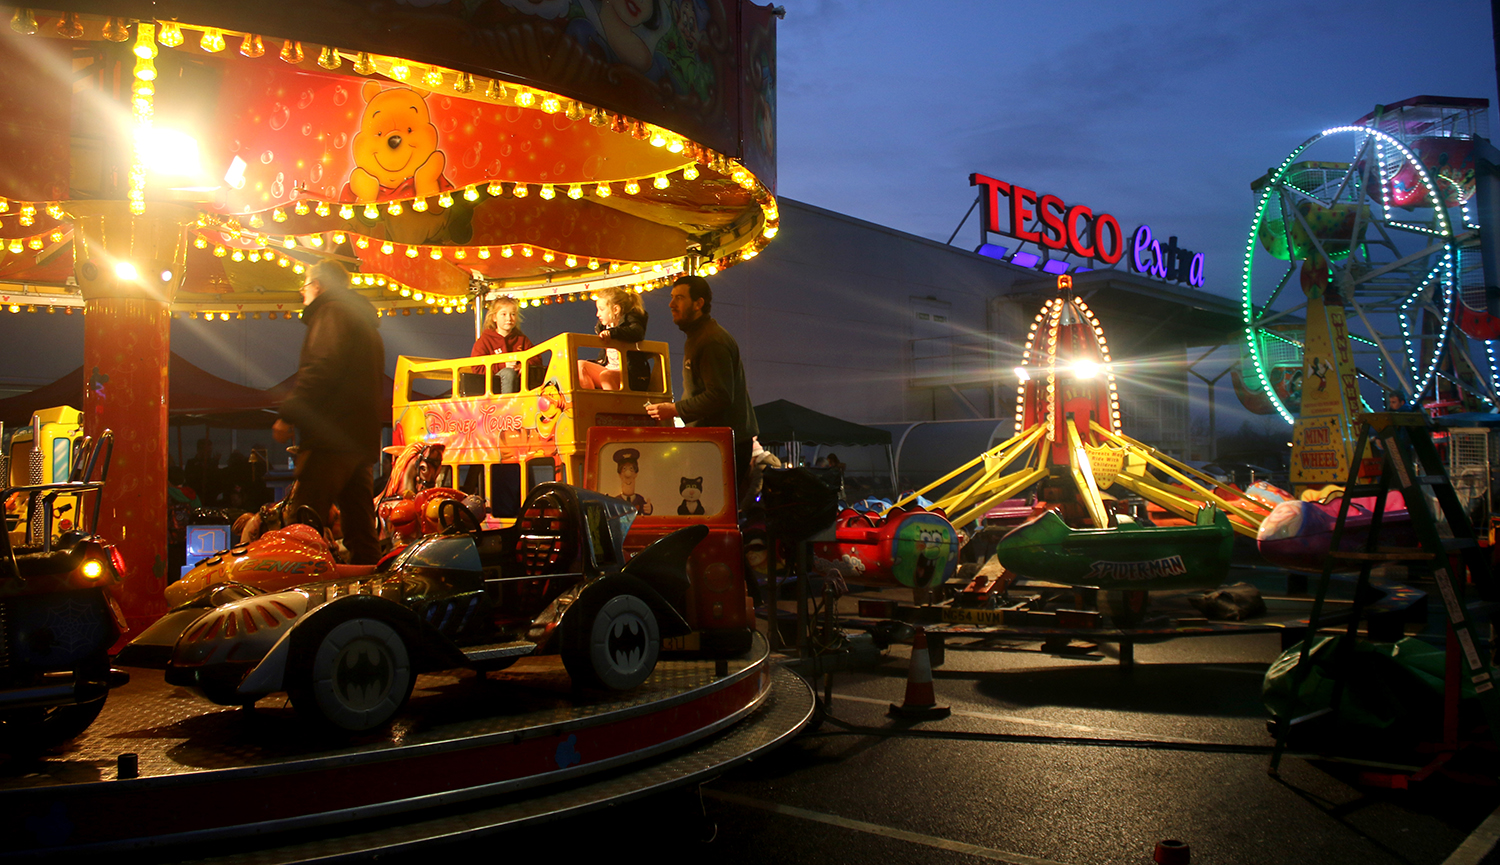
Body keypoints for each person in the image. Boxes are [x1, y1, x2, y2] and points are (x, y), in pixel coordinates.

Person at [272, 260, 384, 564]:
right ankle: (370, 588)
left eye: (305, 286)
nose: (303, 292)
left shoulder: (332, 313)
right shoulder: (364, 323)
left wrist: (289, 413)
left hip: (330, 437)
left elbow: (320, 368)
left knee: (303, 521)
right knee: (360, 527)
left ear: (318, 285)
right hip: (359, 439)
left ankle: (297, 592)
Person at [646, 275, 758, 491]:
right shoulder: (700, 337)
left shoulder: (711, 341)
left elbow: (720, 395)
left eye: (679, 298)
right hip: (717, 444)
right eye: (671, 297)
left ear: (699, 304)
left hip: (725, 446)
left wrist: (674, 409)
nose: (671, 304)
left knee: (713, 511)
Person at [578, 287, 648, 390]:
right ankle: (589, 399)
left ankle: (612, 404)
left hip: (630, 374)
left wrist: (612, 333)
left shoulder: (630, 321)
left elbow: (637, 332)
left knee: (606, 376)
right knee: (580, 365)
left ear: (615, 309)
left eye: (601, 309)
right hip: (609, 369)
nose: (597, 314)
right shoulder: (605, 326)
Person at [470, 295, 533, 393]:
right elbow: (477, 368)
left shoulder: (522, 339)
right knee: (508, 373)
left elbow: (536, 358)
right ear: (494, 317)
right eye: (503, 314)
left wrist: (522, 366)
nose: (509, 318)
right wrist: (503, 365)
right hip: (492, 388)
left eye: (513, 314)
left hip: (520, 386)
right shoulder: (485, 341)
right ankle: (506, 405)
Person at [612, 447, 654, 515]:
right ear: (620, 475)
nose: (628, 474)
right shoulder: (616, 501)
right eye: (624, 469)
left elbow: (645, 511)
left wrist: (649, 509)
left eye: (631, 469)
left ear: (635, 474)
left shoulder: (639, 499)